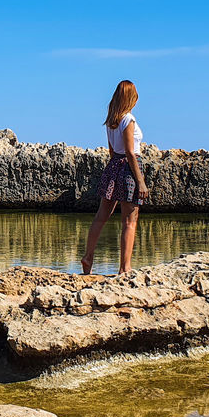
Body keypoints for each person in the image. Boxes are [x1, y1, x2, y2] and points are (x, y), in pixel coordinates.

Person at [81, 79, 149, 275]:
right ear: (131, 97)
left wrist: (115, 170)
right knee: (130, 220)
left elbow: (112, 151)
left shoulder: (112, 119)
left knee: (102, 215)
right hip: (128, 166)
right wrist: (140, 181)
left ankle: (88, 257)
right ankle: (124, 268)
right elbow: (129, 151)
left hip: (114, 165)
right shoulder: (128, 119)